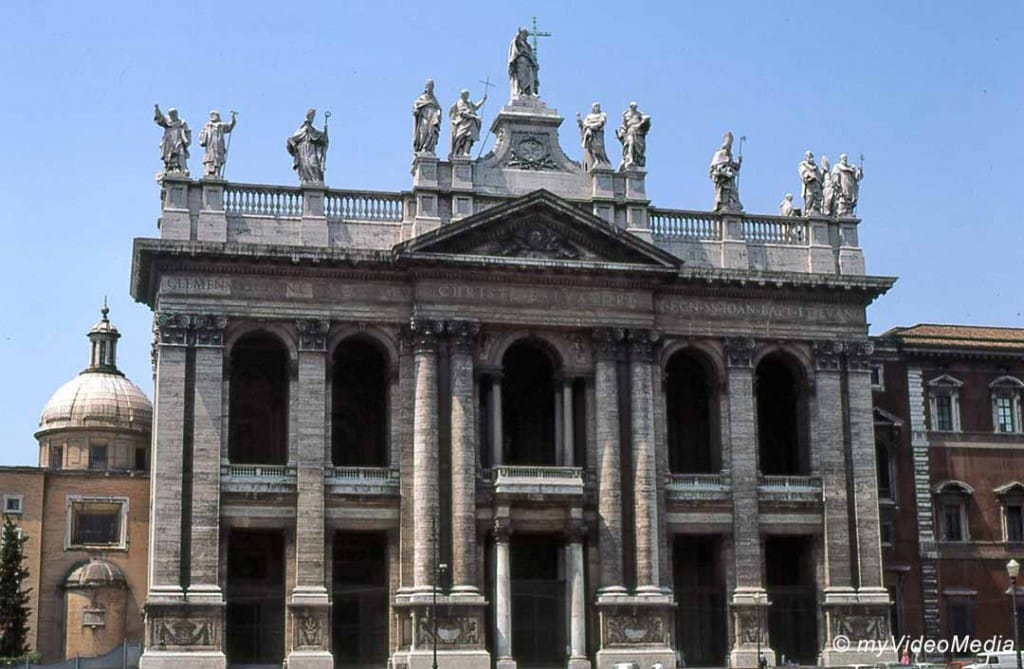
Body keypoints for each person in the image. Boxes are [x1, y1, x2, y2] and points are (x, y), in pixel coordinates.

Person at [287, 108, 329, 184]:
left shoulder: (313, 130)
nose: (312, 119)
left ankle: (316, 182)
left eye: (313, 117)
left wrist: (325, 133)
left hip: (312, 151)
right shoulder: (302, 130)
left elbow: (321, 138)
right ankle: (308, 183)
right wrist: (294, 146)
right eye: (311, 116)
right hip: (303, 152)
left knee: (314, 166)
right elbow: (291, 139)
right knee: (305, 166)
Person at [709, 131, 743, 212]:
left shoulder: (729, 155)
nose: (729, 146)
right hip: (723, 182)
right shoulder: (719, 154)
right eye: (729, 143)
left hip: (730, 182)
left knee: (733, 195)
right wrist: (726, 173)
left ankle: (732, 207)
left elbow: (734, 166)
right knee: (724, 197)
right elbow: (715, 168)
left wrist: (739, 162)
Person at [198, 110, 237, 178]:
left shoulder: (221, 125)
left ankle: (217, 173)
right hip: (210, 146)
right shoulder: (208, 126)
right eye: (211, 115)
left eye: (213, 115)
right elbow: (202, 135)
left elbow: (230, 126)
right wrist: (203, 136)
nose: (212, 116)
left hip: (219, 145)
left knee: (218, 159)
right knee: (209, 159)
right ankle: (208, 173)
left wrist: (233, 118)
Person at [449, 89, 487, 157]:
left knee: (469, 137)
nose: (467, 97)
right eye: (466, 95)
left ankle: (466, 152)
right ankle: (458, 152)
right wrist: (474, 117)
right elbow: (463, 114)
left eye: (468, 95)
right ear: (462, 95)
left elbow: (475, 107)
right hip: (462, 123)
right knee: (460, 137)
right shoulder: (459, 103)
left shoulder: (469, 102)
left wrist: (483, 100)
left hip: (471, 122)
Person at [153, 105, 191, 175]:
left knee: (180, 153)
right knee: (169, 155)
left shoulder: (181, 122)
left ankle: (179, 168)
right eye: (171, 114)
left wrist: (187, 140)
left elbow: (187, 132)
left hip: (178, 140)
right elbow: (160, 119)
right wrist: (157, 110)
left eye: (174, 114)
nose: (172, 116)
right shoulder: (167, 120)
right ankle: (170, 168)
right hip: (169, 140)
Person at [615, 102, 651, 170]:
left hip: (638, 133)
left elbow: (647, 118)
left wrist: (640, 124)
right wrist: (621, 132)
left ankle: (633, 159)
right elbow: (623, 126)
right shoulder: (626, 114)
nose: (634, 109)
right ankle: (630, 160)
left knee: (638, 148)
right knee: (631, 143)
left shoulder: (639, 114)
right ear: (630, 107)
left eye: (635, 107)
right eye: (633, 107)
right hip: (630, 132)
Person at [576, 103, 611, 170]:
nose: (597, 107)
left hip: (598, 133)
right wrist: (579, 121)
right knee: (592, 148)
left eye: (598, 106)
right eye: (595, 106)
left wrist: (592, 126)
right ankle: (597, 160)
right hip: (590, 133)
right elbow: (584, 124)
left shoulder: (602, 114)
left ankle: (602, 162)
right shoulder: (589, 116)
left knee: (599, 147)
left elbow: (601, 122)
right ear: (593, 108)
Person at [412, 79, 442, 155]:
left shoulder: (434, 99)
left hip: (433, 118)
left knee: (431, 132)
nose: (430, 87)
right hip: (424, 118)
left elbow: (439, 108)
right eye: (429, 85)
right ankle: (422, 148)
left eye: (432, 86)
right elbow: (416, 105)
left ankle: (428, 149)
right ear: (426, 87)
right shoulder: (422, 98)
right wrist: (416, 110)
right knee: (423, 133)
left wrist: (438, 113)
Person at [508, 27, 539, 97]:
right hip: (520, 62)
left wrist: (534, 63)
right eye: (524, 34)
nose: (526, 36)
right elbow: (514, 53)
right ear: (520, 34)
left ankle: (531, 92)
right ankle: (521, 91)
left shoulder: (528, 45)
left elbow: (531, 54)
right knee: (522, 78)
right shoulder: (516, 41)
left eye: (526, 35)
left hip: (529, 63)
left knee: (531, 77)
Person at [798, 150, 823, 215]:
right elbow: (803, 173)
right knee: (809, 196)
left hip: (816, 183)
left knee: (817, 196)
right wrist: (807, 176)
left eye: (811, 156)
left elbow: (820, 176)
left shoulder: (816, 167)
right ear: (806, 157)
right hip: (809, 183)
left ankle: (815, 209)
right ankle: (808, 210)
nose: (810, 158)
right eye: (809, 156)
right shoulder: (803, 164)